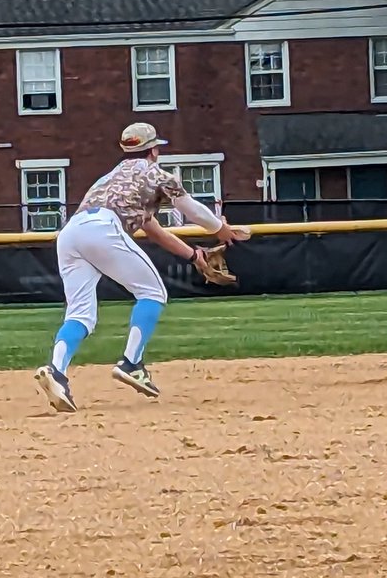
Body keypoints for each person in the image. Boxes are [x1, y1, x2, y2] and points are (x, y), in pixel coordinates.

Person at [35, 121, 247, 412]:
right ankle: (131, 363)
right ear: (154, 150)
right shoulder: (156, 175)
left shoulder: (109, 179)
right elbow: (192, 209)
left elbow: (155, 231)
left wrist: (194, 256)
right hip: (103, 228)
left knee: (80, 314)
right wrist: (221, 229)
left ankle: (56, 371)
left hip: (71, 233)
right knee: (153, 292)